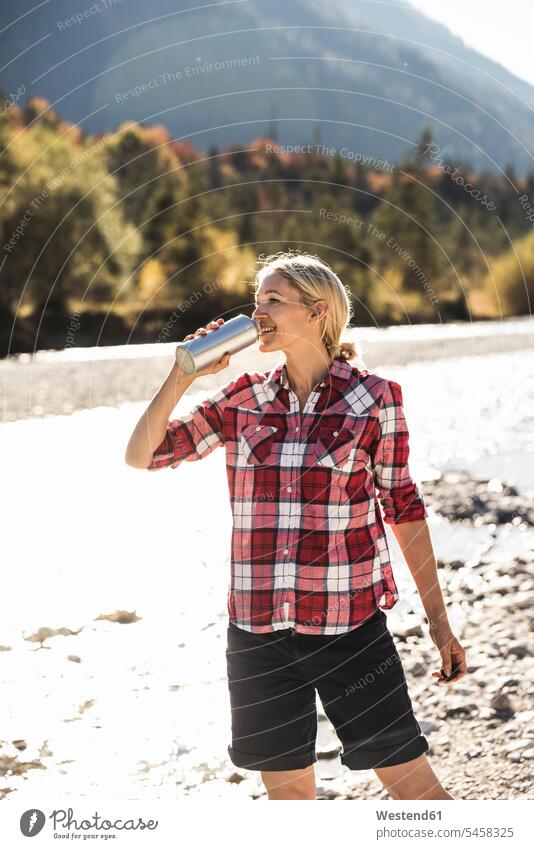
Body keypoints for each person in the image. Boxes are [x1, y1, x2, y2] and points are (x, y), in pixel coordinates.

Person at [125, 250, 467, 801]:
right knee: (290, 809)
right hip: (258, 635)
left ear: (318, 310)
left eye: (273, 301)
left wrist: (438, 622)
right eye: (257, 299)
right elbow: (142, 455)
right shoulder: (242, 399)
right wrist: (182, 373)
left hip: (350, 633)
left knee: (417, 792)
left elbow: (403, 507)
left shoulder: (374, 399)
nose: (258, 312)